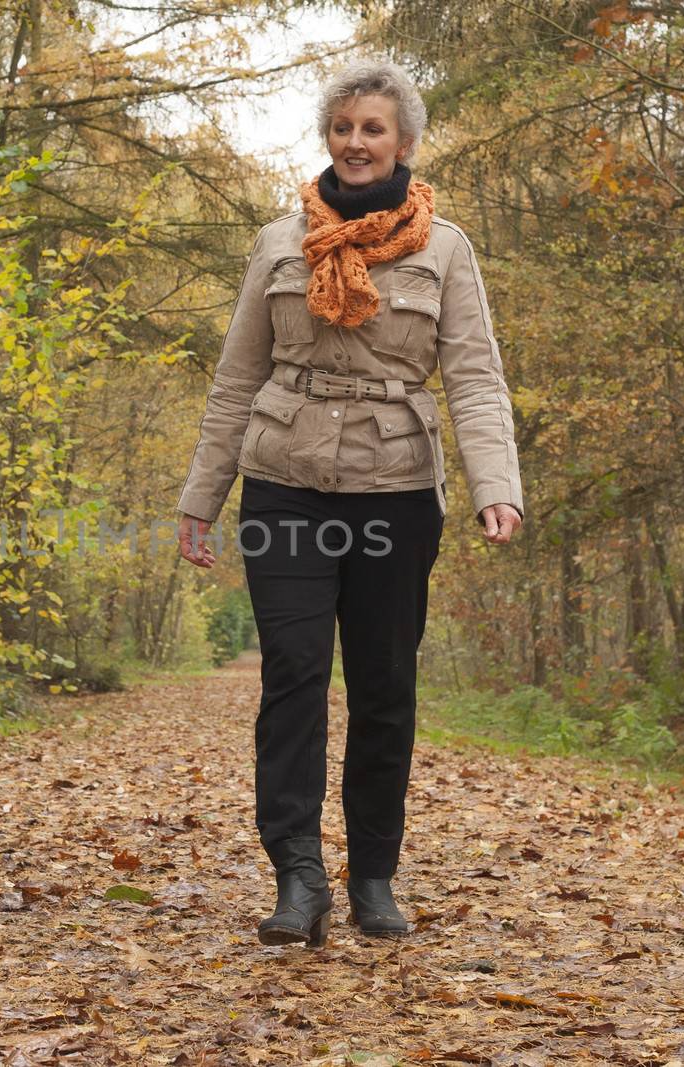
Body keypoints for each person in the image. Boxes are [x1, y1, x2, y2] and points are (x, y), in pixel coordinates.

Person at [173, 59, 524, 946]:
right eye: (343, 128)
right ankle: (298, 873)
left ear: (404, 143)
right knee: (292, 674)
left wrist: (496, 486)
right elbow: (237, 377)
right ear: (327, 139)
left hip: (395, 492)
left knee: (383, 688)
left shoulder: (446, 250)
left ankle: (372, 875)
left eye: (374, 129)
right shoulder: (278, 242)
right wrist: (201, 497)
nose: (357, 143)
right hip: (285, 485)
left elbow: (476, 379)